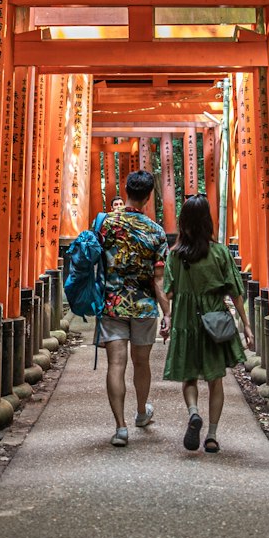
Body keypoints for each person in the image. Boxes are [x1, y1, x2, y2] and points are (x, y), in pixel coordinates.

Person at [161, 194, 254, 453]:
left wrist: (166, 318)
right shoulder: (220, 253)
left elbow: (168, 291)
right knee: (216, 380)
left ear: (184, 223)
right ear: (207, 222)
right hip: (213, 320)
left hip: (185, 320)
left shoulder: (175, 256)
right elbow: (235, 291)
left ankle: (193, 412)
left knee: (189, 378)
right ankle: (211, 435)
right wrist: (245, 324)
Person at [96, 170, 169, 447]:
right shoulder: (156, 232)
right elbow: (159, 279)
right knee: (141, 363)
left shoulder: (106, 224)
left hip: (112, 303)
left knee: (116, 364)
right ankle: (141, 413)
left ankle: (120, 428)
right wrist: (168, 313)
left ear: (125, 190)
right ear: (149, 197)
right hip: (144, 306)